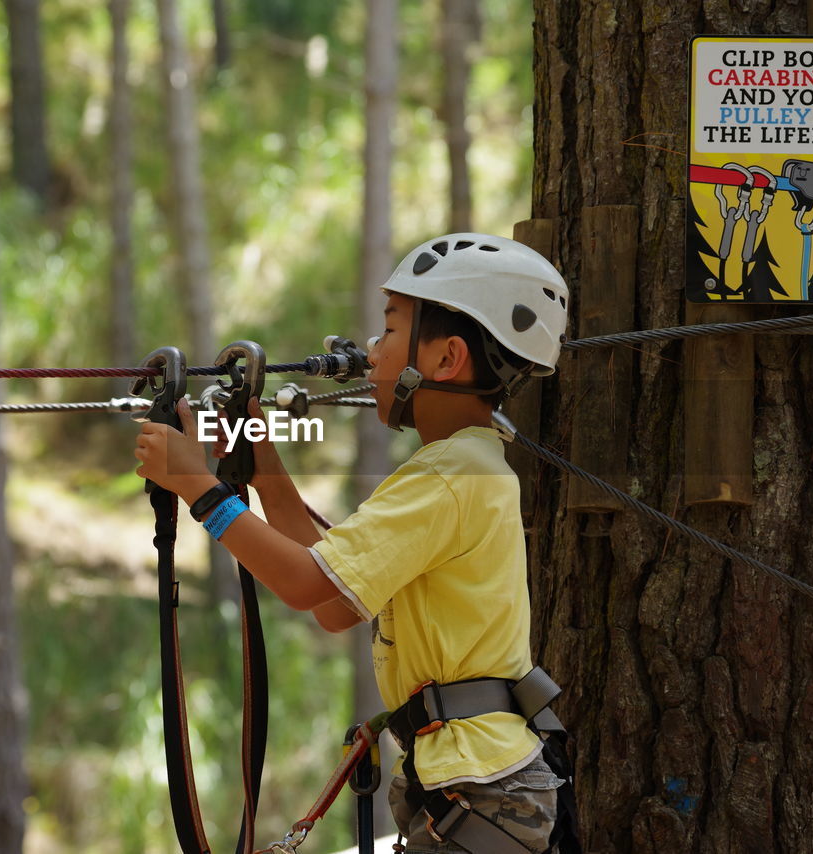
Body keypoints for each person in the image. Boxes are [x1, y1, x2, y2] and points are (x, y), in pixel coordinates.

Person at [133, 233, 571, 853]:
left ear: (445, 360)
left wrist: (197, 487)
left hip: (478, 788)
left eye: (389, 331)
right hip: (472, 786)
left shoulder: (448, 477)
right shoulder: (462, 467)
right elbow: (337, 603)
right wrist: (263, 471)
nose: (369, 353)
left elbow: (308, 583)